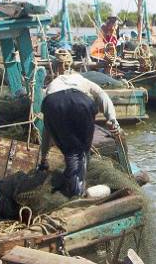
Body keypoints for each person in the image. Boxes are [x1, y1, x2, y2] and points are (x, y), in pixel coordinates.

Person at [39, 70, 120, 198]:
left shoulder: (52, 85)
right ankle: (77, 192)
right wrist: (111, 119)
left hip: (53, 103)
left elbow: (47, 130)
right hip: (81, 102)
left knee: (70, 151)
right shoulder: (84, 81)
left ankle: (73, 184)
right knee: (80, 152)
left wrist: (43, 158)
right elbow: (102, 95)